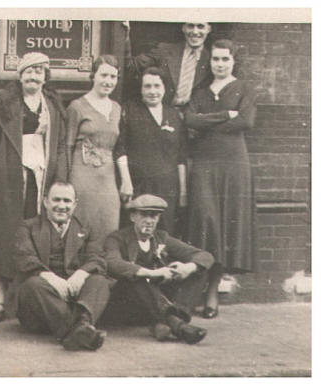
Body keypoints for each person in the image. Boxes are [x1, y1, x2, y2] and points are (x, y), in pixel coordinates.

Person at [0, 52, 67, 323]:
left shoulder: (52, 106)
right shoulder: (7, 104)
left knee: (34, 234)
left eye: (39, 71)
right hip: (8, 178)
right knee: (2, 235)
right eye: (29, 71)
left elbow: (59, 146)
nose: (34, 76)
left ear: (45, 77)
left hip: (41, 177)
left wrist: (59, 181)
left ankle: (24, 298)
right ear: (20, 75)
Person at [184, 39, 257, 319]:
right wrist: (226, 115)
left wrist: (208, 121)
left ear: (233, 61)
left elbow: (246, 122)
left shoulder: (245, 88)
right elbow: (190, 121)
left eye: (225, 59)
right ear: (209, 61)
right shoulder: (200, 91)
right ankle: (194, 291)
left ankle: (212, 293)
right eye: (216, 59)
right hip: (204, 163)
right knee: (205, 221)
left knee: (224, 226)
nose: (220, 64)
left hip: (234, 165)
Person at [6, 182, 111, 351]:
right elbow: (24, 258)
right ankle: (77, 330)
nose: (61, 206)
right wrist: (50, 277)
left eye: (67, 201)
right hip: (40, 309)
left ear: (75, 204)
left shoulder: (87, 227)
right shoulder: (28, 226)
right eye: (56, 200)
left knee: (99, 281)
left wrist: (81, 274)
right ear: (45, 201)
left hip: (74, 300)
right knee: (33, 284)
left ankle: (80, 326)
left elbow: (97, 258)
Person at [103, 194, 214, 344]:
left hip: (157, 301)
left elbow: (205, 256)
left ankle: (168, 321)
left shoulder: (162, 237)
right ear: (133, 217)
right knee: (135, 277)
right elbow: (112, 262)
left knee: (200, 270)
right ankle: (177, 325)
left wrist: (188, 268)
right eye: (144, 215)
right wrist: (152, 273)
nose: (149, 221)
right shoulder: (117, 238)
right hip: (129, 303)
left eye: (154, 216)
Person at [65, 55, 133, 242]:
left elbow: (120, 147)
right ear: (93, 76)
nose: (108, 81)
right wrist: (65, 182)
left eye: (113, 77)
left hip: (108, 177)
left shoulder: (117, 108)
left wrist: (126, 180)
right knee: (81, 222)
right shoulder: (77, 107)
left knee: (109, 222)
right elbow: (67, 146)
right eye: (103, 75)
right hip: (82, 174)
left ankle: (102, 267)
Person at [119, 67, 187, 235]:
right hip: (139, 186)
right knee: (136, 233)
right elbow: (121, 149)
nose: (152, 91)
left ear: (165, 88)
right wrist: (126, 182)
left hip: (167, 189)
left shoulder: (174, 116)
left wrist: (183, 192)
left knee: (164, 235)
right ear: (140, 89)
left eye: (157, 86)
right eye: (147, 86)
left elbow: (181, 157)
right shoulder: (130, 110)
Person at [125, 22, 213, 109]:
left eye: (200, 26)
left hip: (192, 117)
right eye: (191, 26)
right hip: (163, 114)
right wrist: (125, 36)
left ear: (209, 29)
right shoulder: (165, 51)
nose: (195, 31)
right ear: (183, 28)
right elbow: (131, 66)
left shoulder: (212, 59)